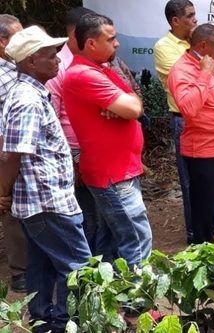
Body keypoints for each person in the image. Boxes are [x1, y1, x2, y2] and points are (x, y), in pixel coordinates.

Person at [1, 26, 91, 333]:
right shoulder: (27, 98)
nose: (57, 60)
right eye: (50, 55)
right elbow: (12, 154)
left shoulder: (32, 92)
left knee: (41, 265)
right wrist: (3, 192)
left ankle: (45, 322)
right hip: (48, 202)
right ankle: (69, 323)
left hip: (43, 201)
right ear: (29, 63)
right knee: (78, 266)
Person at [63, 13, 152, 269]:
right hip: (112, 174)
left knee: (112, 241)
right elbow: (134, 109)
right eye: (111, 39)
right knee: (136, 239)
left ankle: (115, 300)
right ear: (91, 43)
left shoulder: (101, 69)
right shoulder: (83, 75)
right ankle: (137, 304)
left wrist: (127, 103)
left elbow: (136, 103)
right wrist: (127, 104)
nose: (117, 44)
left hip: (118, 171)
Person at [154, 0, 214, 243]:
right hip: (187, 119)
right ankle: (196, 235)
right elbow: (189, 76)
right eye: (190, 16)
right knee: (192, 183)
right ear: (175, 21)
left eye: (195, 15)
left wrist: (206, 46)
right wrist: (203, 53)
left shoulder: (201, 42)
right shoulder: (164, 47)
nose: (195, 20)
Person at [168, 24, 214, 243]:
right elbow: (189, 108)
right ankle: (204, 257)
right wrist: (204, 74)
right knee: (204, 211)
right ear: (203, 45)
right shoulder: (181, 70)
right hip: (203, 151)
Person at [45, 6, 101, 253]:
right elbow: (53, 119)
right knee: (88, 216)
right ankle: (88, 277)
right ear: (78, 34)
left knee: (102, 216)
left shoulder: (96, 63)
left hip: (99, 152)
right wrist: (71, 160)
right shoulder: (58, 68)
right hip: (76, 153)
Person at [0, 13, 26, 293]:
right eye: (16, 35)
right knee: (11, 207)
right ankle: (20, 271)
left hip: (16, 148)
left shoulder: (12, 67)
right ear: (2, 41)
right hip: (7, 150)